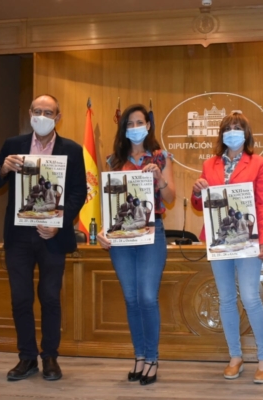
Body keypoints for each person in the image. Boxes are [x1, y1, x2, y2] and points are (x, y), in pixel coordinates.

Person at [0, 94, 87, 381]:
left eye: (49, 111)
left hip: (53, 237)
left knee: (50, 298)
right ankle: (27, 357)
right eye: (37, 110)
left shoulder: (72, 149)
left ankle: (50, 357)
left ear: (58, 116)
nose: (42, 115)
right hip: (18, 237)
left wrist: (60, 222)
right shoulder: (13, 145)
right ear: (30, 113)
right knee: (20, 298)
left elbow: (79, 192)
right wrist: (3, 168)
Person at [191, 112, 263, 384]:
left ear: (246, 134)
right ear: (221, 135)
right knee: (226, 298)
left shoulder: (259, 163)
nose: (233, 132)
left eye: (238, 128)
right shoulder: (209, 164)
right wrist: (196, 191)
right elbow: (199, 205)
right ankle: (235, 356)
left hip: (248, 240)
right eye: (228, 128)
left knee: (250, 297)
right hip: (219, 240)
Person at [97, 104, 175, 386]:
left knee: (146, 297)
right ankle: (139, 356)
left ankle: (152, 358)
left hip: (151, 233)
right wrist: (103, 231)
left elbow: (170, 197)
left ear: (149, 125)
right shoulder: (113, 161)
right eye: (129, 124)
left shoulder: (161, 157)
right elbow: (108, 206)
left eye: (139, 122)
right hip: (121, 237)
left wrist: (159, 178)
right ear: (123, 129)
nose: (134, 128)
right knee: (130, 298)